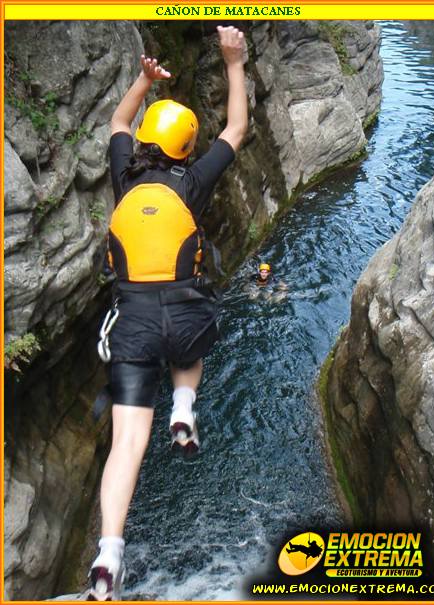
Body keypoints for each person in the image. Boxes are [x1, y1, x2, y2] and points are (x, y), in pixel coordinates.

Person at [87, 26, 247, 601]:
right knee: (192, 338)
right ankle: (184, 408)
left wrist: (142, 79)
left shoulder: (124, 174)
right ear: (185, 148)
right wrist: (234, 62)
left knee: (126, 442)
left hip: (129, 323)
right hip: (185, 318)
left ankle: (108, 556)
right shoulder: (193, 182)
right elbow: (235, 129)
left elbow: (117, 125)